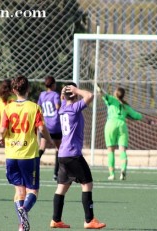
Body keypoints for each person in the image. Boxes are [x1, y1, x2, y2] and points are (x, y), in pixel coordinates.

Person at [0, 76, 54, 231]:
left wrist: (0, 137)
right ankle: (24, 209)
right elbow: (42, 129)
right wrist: (48, 140)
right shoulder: (34, 107)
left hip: (11, 155)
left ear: (14, 90)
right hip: (28, 155)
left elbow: (2, 129)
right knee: (33, 190)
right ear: (28, 89)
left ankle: (22, 226)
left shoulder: (8, 108)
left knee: (19, 191)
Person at [50, 83, 106, 229]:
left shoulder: (62, 109)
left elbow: (63, 99)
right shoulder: (74, 109)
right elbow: (90, 96)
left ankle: (56, 220)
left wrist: (66, 94)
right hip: (73, 154)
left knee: (62, 187)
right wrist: (76, 90)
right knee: (87, 184)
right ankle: (89, 220)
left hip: (62, 154)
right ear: (74, 94)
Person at [97, 85, 148, 181]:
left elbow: (103, 94)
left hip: (111, 124)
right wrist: (148, 121)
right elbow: (137, 116)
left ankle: (112, 174)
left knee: (110, 150)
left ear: (116, 93)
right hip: (122, 125)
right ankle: (123, 169)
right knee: (122, 150)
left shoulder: (112, 100)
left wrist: (99, 89)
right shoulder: (126, 106)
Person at [37, 76, 62, 180]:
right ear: (53, 85)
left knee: (42, 148)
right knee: (59, 149)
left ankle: (33, 167)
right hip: (55, 125)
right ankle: (56, 174)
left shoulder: (42, 95)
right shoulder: (55, 95)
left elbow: (38, 107)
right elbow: (57, 107)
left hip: (46, 126)